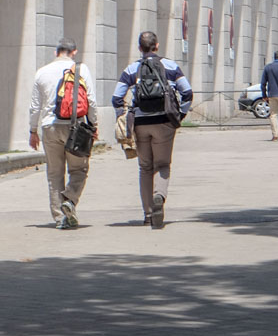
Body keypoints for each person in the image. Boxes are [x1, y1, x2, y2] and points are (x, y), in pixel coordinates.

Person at [112, 31, 193, 228]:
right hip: (164, 122)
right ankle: (159, 196)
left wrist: (122, 117)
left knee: (145, 167)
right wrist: (180, 115)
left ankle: (148, 213)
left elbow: (116, 98)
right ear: (156, 46)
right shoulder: (171, 66)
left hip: (140, 123)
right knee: (162, 165)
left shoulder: (132, 69)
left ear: (140, 48)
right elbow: (187, 93)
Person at [29, 37, 99, 229]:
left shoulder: (41, 73)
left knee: (54, 174)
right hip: (75, 127)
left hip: (49, 127)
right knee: (79, 170)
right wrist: (94, 125)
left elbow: (35, 106)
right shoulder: (82, 69)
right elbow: (91, 101)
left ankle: (61, 218)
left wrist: (32, 130)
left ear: (56, 52)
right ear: (74, 52)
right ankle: (70, 199)